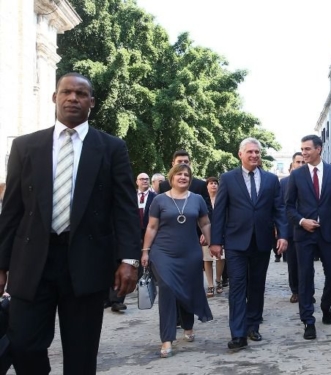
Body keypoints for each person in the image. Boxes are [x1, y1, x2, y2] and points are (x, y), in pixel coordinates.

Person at [0, 72, 140, 374]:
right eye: (66, 92)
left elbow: (125, 208)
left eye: (80, 94)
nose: (72, 98)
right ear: (55, 97)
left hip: (86, 263)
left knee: (81, 354)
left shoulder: (111, 148)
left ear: (92, 101)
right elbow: (11, 210)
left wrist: (129, 258)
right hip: (31, 262)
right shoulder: (26, 147)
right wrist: (1, 263)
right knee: (23, 344)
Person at [209, 138, 287, 349]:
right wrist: (216, 241)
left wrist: (283, 235)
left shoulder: (271, 180)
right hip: (236, 242)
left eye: (257, 152)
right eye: (250, 152)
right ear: (240, 154)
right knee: (237, 287)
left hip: (262, 242)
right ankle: (238, 334)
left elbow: (279, 209)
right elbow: (220, 212)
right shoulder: (228, 178)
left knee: (257, 286)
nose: (254, 155)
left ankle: (253, 326)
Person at [141, 163, 213, 357]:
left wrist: (212, 243)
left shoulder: (197, 199)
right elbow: (151, 227)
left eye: (186, 175)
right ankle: (166, 339)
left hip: (190, 253)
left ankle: (188, 325)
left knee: (188, 288)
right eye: (179, 174)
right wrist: (145, 251)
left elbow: (205, 222)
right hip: (163, 253)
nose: (183, 177)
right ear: (171, 177)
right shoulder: (159, 200)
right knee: (168, 289)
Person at [286, 134, 331, 340]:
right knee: (305, 277)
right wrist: (302, 221)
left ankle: (326, 305)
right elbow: (287, 207)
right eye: (302, 149)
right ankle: (308, 321)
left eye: (307, 149)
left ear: (319, 149)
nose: (303, 153)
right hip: (304, 235)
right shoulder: (296, 175)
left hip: (329, 233)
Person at [106, 173, 156, 312]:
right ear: (137, 181)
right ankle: (112, 299)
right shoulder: (130, 195)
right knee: (118, 262)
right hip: (126, 233)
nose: (144, 181)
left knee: (136, 263)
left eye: (147, 179)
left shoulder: (155, 197)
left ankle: (121, 296)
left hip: (145, 233)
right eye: (142, 179)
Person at [280, 152, 305, 303]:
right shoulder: (283, 183)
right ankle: (295, 290)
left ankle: (307, 290)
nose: (301, 165)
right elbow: (280, 206)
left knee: (307, 263)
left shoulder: (311, 180)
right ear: (292, 164)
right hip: (289, 229)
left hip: (307, 228)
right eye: (298, 162)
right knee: (293, 263)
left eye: (303, 162)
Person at [201, 177, 224, 297]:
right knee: (207, 259)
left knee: (221, 257)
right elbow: (199, 218)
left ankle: (218, 280)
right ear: (207, 186)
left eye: (215, 183)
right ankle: (210, 284)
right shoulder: (203, 200)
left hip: (221, 232)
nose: (214, 185)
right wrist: (202, 233)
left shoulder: (222, 199)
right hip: (206, 233)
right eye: (211, 183)